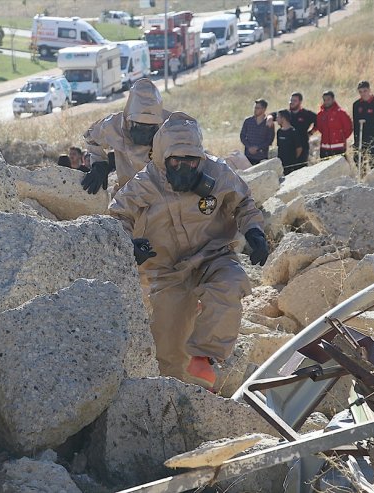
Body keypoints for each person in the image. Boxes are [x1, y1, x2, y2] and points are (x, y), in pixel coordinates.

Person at [109, 112, 268, 389]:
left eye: (191, 161)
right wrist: (129, 245)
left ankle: (205, 357)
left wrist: (254, 232)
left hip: (212, 255)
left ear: (200, 158)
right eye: (176, 161)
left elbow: (244, 204)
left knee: (230, 284)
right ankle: (173, 396)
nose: (184, 167)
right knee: (168, 345)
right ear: (162, 159)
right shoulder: (146, 182)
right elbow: (116, 217)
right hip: (167, 270)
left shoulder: (218, 173)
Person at [82, 78, 171, 194]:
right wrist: (99, 163)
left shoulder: (171, 127)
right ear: (129, 119)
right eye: (139, 125)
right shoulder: (114, 125)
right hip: (127, 195)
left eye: (150, 126)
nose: (144, 131)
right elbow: (91, 138)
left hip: (163, 195)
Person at [352, 80, 374, 170]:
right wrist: (355, 139)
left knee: (373, 159)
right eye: (360, 92)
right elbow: (355, 123)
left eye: (365, 91)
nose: (363, 94)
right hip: (360, 136)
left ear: (369, 90)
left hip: (373, 136)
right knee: (358, 158)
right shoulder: (356, 105)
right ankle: (362, 178)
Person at [315, 90, 353, 159]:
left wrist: (340, 138)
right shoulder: (320, 114)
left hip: (339, 147)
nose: (326, 102)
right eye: (324, 100)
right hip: (324, 148)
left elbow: (348, 128)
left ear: (333, 99)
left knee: (339, 168)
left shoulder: (341, 113)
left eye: (328, 99)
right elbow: (320, 128)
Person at [239, 98, 275, 165]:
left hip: (262, 157)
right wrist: (249, 147)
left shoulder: (268, 123)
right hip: (248, 156)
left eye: (258, 108)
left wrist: (258, 148)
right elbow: (242, 136)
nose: (255, 110)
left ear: (264, 109)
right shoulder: (248, 121)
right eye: (255, 107)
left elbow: (270, 140)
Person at [276, 109, 302, 174]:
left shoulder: (293, 132)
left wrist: (293, 160)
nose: (276, 119)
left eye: (278, 117)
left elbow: (299, 149)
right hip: (281, 165)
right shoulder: (279, 132)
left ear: (283, 118)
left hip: (291, 165)